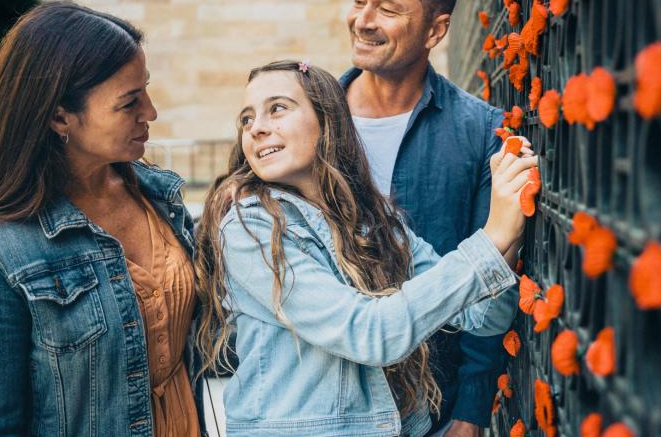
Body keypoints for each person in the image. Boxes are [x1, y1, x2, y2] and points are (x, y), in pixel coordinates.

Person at [194, 60, 537, 436]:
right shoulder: (252, 228)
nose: (256, 128)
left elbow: (487, 318)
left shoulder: (374, 219)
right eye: (246, 119)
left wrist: (509, 234)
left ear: (328, 120)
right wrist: (492, 238)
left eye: (277, 108)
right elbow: (369, 334)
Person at [0, 2, 206, 437]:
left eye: (144, 90)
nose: (150, 112)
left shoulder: (159, 195)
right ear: (58, 116)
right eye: (128, 102)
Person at [341, 0, 517, 435]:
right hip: (325, 406)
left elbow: (492, 275)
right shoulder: (311, 122)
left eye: (387, 9)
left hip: (432, 408)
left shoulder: (481, 132)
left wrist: (472, 409)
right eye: (359, 2)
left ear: (435, 32)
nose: (362, 21)